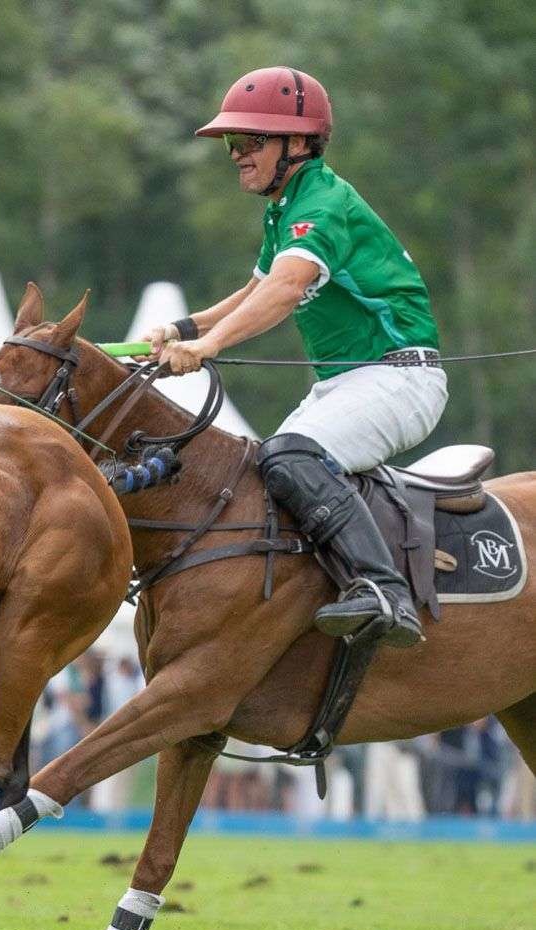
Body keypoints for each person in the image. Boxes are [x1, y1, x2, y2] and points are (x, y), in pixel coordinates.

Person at [147, 68, 445, 647]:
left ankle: (383, 589)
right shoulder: (286, 207)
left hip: (400, 378)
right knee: (263, 481)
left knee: (289, 457)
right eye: (232, 144)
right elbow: (257, 287)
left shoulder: (324, 204)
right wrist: (184, 327)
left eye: (249, 141)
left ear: (299, 144)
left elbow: (285, 291)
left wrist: (207, 348)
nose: (236, 155)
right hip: (349, 383)